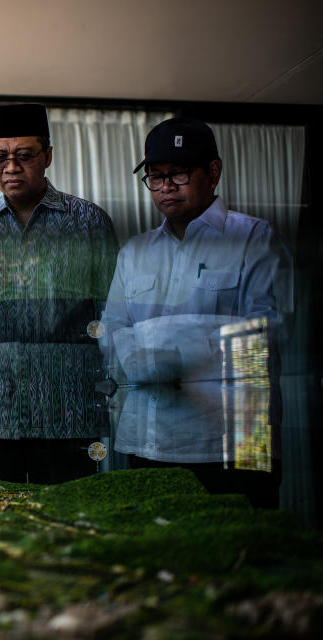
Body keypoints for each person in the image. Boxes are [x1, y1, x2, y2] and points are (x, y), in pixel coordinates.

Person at [100, 116, 292, 507]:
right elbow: (113, 328)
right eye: (155, 176)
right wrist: (147, 351)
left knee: (244, 552)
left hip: (240, 439)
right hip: (151, 435)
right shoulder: (134, 251)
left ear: (214, 172)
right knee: (157, 555)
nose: (166, 187)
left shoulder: (255, 237)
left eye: (179, 174)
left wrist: (164, 349)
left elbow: (268, 332)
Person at [0, 104, 118, 484]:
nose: (11, 167)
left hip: (68, 413)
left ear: (48, 156)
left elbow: (111, 310)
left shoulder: (88, 222)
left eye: (24, 156)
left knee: (67, 529)